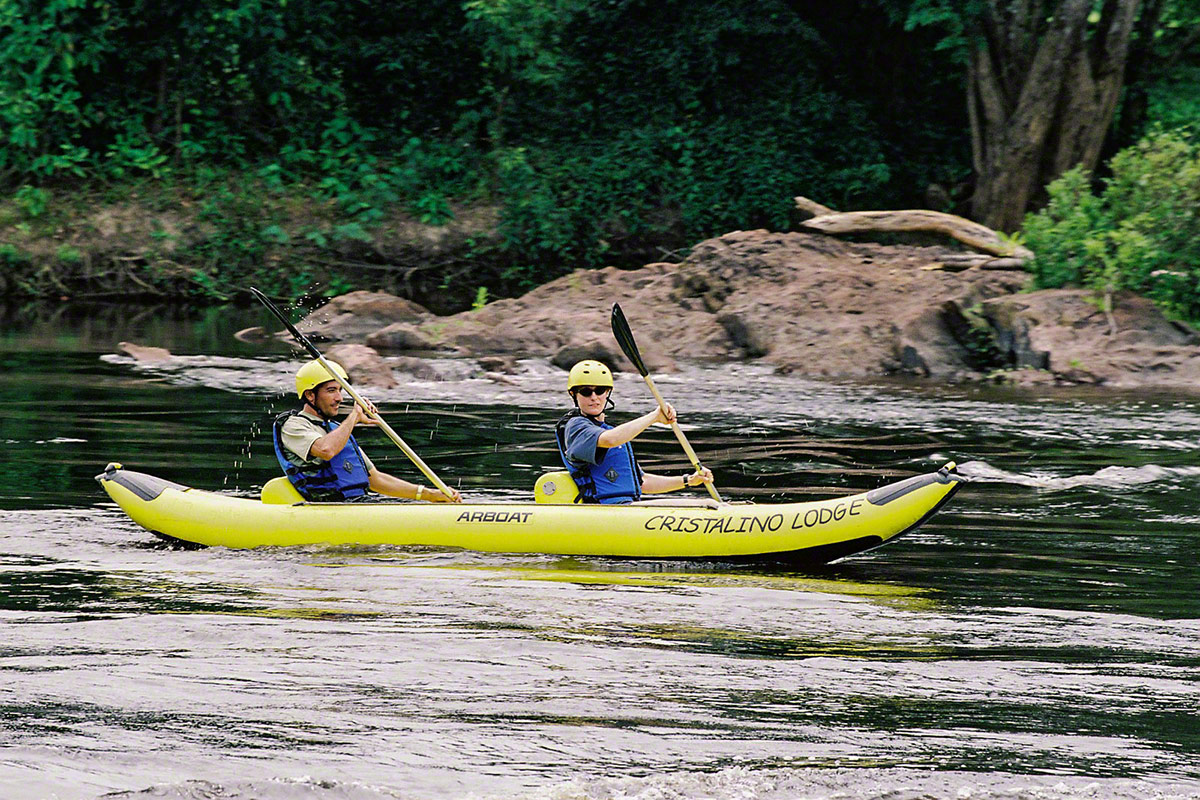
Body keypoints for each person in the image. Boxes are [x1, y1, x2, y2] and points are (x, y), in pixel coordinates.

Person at [272, 359, 461, 503]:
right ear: (310, 395)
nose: (339, 398)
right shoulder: (293, 425)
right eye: (331, 391)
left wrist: (428, 494)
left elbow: (376, 480)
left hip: (356, 505)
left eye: (340, 390)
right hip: (325, 508)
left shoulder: (336, 429)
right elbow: (326, 451)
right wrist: (354, 416)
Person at [555, 359, 714, 504]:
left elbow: (642, 482)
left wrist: (688, 480)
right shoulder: (576, 427)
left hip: (627, 508)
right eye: (586, 391)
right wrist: (654, 417)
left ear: (607, 393)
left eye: (600, 390)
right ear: (573, 394)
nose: (594, 397)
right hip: (603, 510)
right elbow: (610, 440)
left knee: (709, 504)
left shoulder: (610, 430)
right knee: (707, 505)